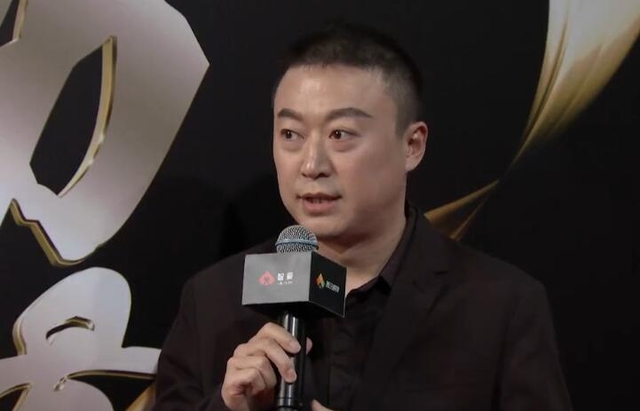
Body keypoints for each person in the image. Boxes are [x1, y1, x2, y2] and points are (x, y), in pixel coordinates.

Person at [153, 23, 572, 411]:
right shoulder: (214, 300)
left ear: (412, 146)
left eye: (340, 134)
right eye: (291, 135)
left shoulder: (500, 305)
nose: (311, 165)